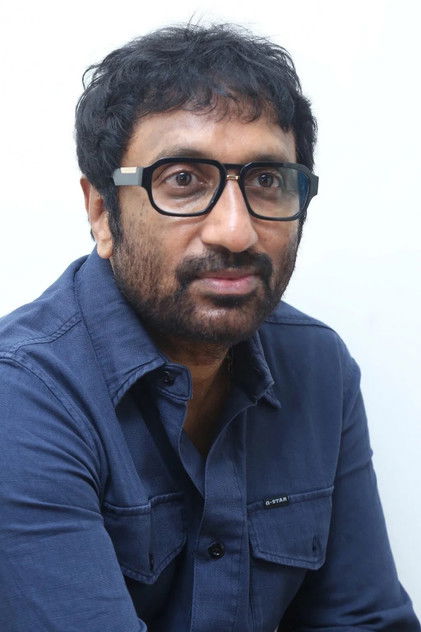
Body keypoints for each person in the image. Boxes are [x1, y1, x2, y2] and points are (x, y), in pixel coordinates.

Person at [0, 23, 419, 632]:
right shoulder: (23, 394)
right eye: (183, 181)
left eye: (267, 182)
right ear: (102, 212)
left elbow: (365, 621)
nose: (236, 231)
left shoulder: (318, 367)